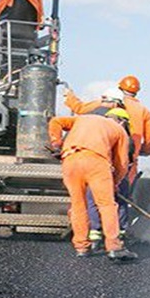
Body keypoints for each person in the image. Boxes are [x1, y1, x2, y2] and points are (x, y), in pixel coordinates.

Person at [47, 103, 137, 262]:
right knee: (107, 205)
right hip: (96, 162)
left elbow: (55, 121)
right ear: (122, 122)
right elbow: (122, 164)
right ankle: (114, 247)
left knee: (78, 205)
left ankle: (82, 247)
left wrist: (57, 143)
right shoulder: (119, 131)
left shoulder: (83, 119)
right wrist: (115, 183)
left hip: (70, 160)